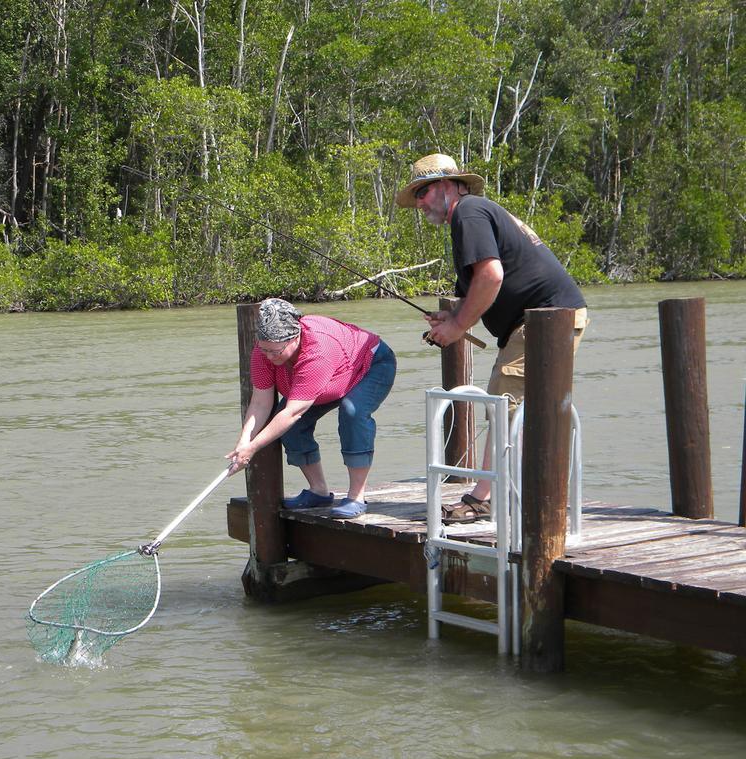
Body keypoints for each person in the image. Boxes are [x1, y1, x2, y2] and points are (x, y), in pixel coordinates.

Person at [395, 153, 588, 522]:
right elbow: (485, 283)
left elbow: (492, 276)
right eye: (416, 195)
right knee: (513, 405)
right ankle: (518, 490)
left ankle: (484, 499)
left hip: (544, 320)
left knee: (506, 407)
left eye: (423, 191)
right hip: (542, 320)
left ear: (449, 186)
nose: (419, 202)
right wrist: (453, 316)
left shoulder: (467, 213)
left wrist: (457, 327)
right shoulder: (474, 213)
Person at [226, 298, 397, 520]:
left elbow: (293, 412)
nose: (269, 357)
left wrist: (252, 448)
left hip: (370, 365)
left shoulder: (318, 350)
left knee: (352, 412)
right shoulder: (264, 352)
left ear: (294, 338)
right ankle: (319, 490)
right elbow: (260, 402)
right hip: (328, 380)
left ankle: (356, 496)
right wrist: (243, 442)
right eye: (264, 349)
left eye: (275, 351)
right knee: (289, 428)